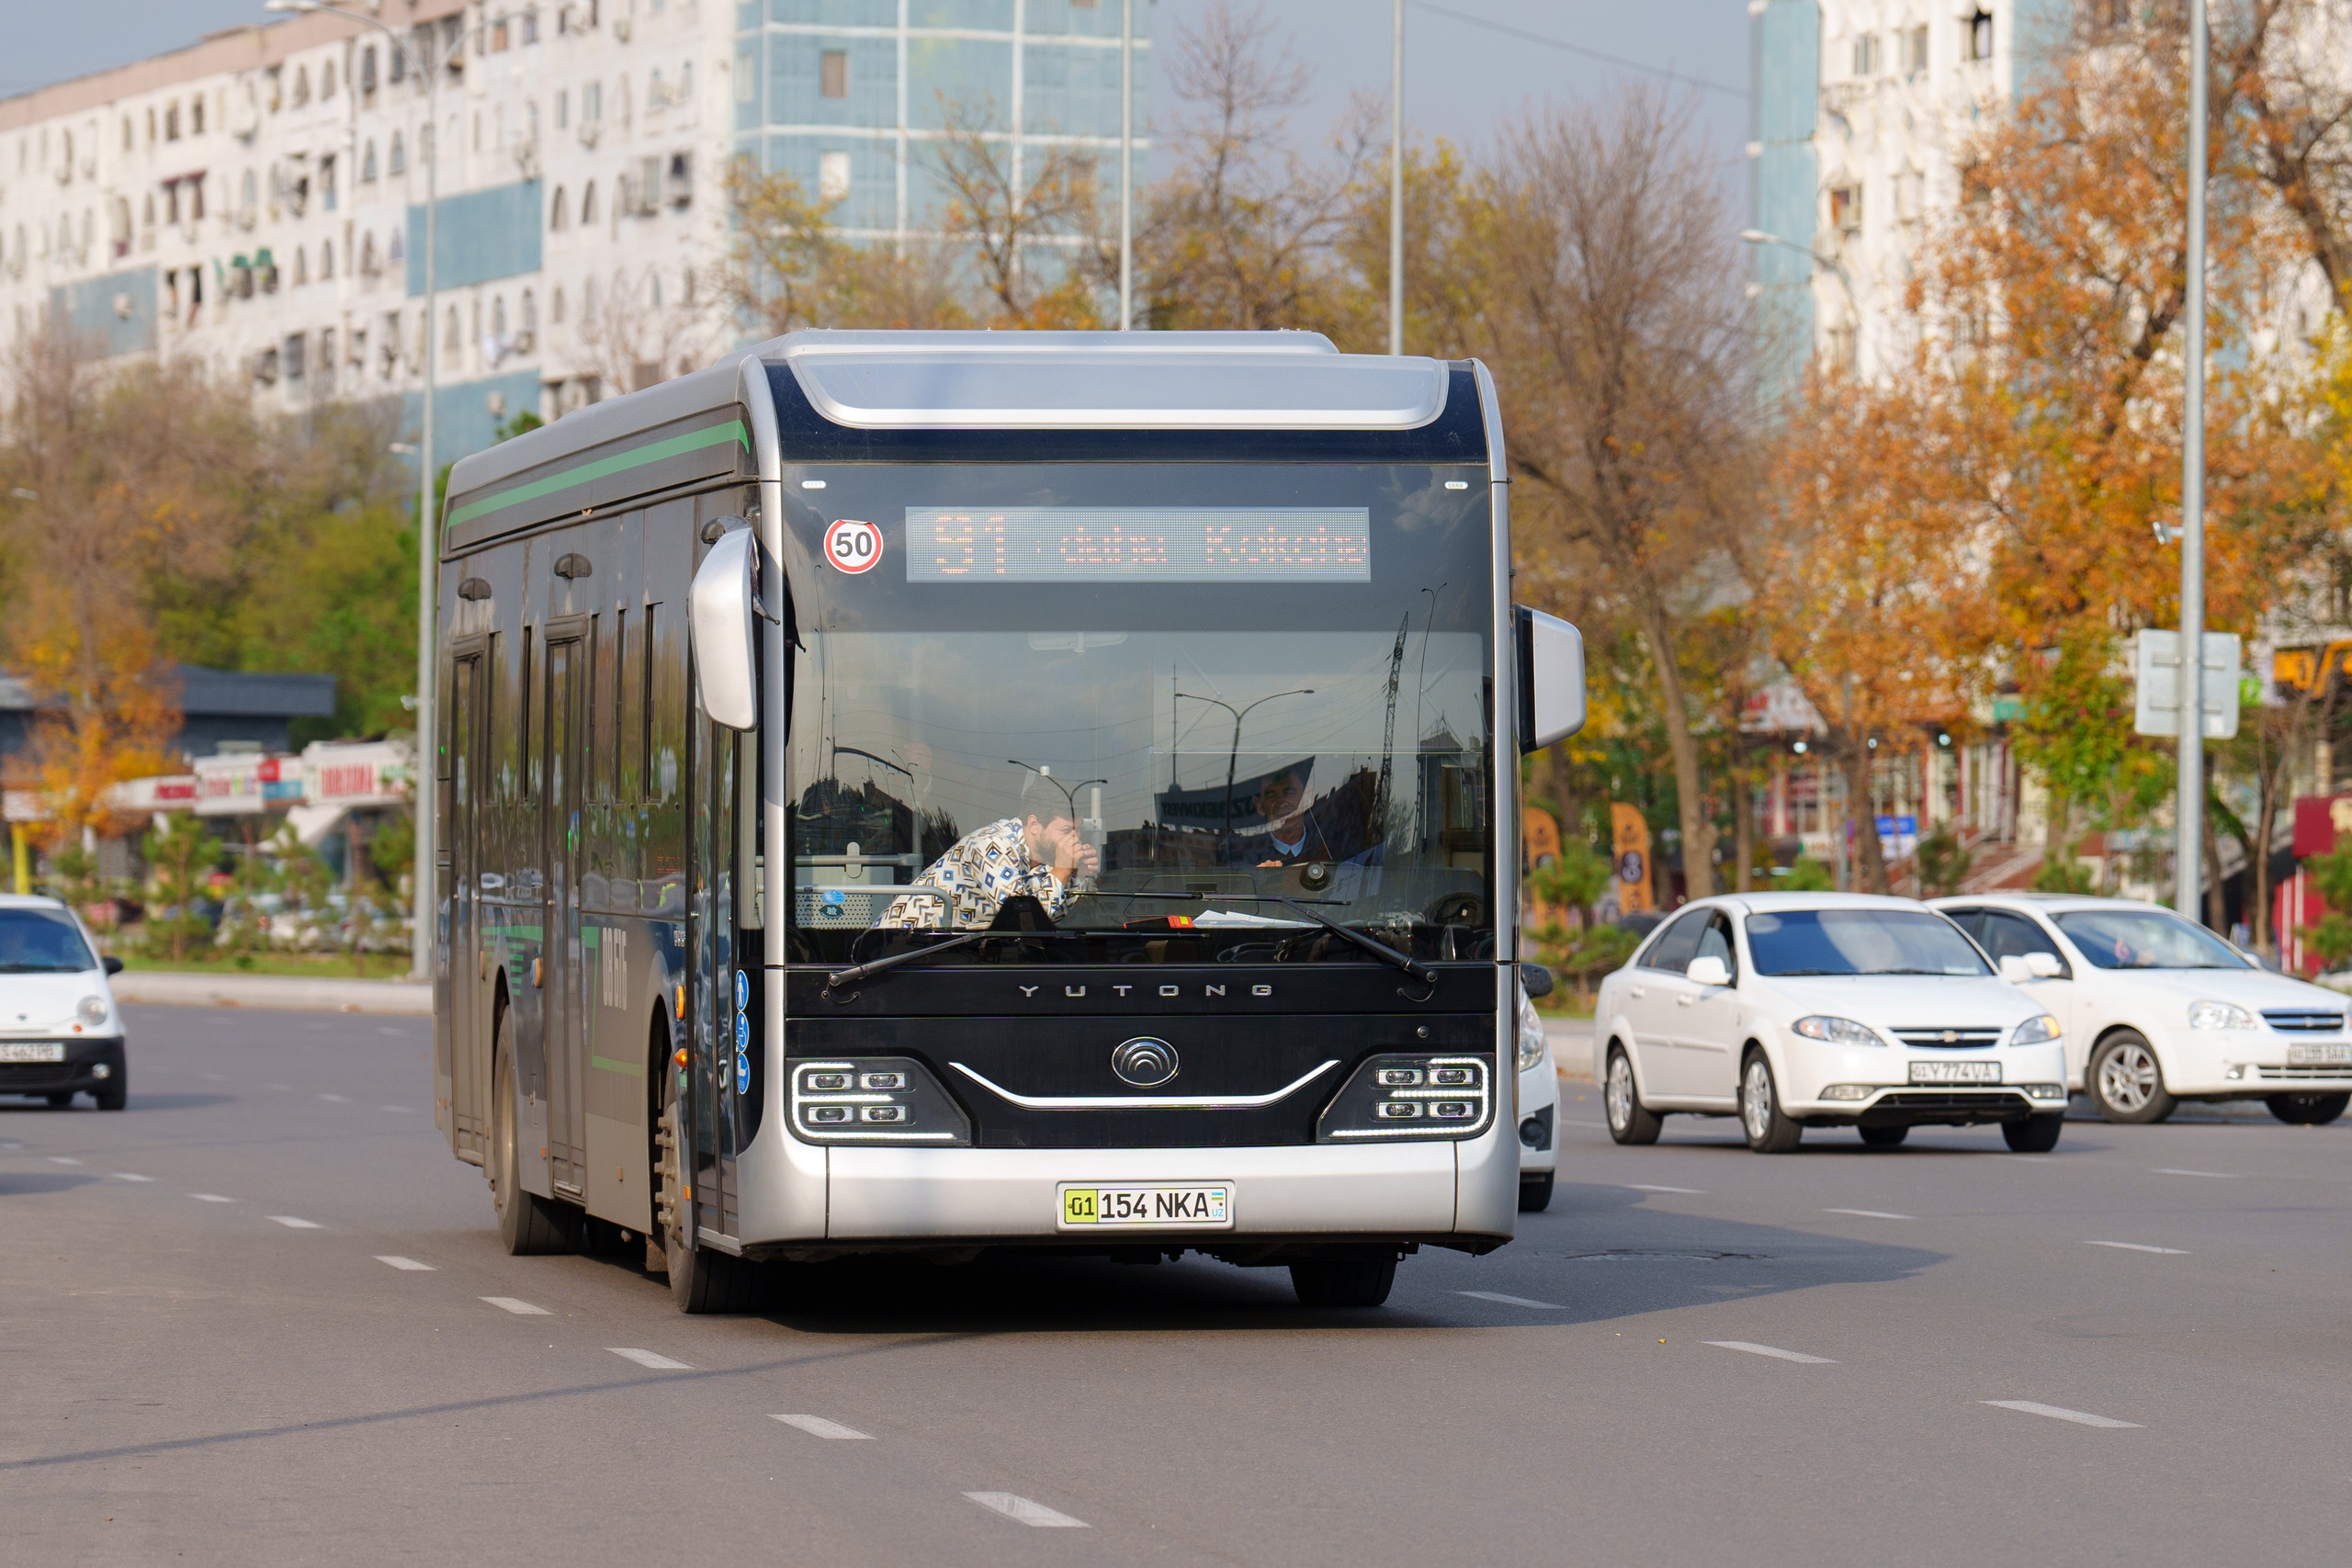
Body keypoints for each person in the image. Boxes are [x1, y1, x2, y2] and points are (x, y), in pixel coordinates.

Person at [874, 777, 1100, 930]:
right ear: (1034, 824)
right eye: (1066, 830)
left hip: (948, 952)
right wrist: (1062, 870)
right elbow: (1024, 924)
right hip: (899, 950)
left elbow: (1050, 918)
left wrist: (1075, 876)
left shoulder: (1044, 859)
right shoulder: (993, 846)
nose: (1075, 839)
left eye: (1078, 829)